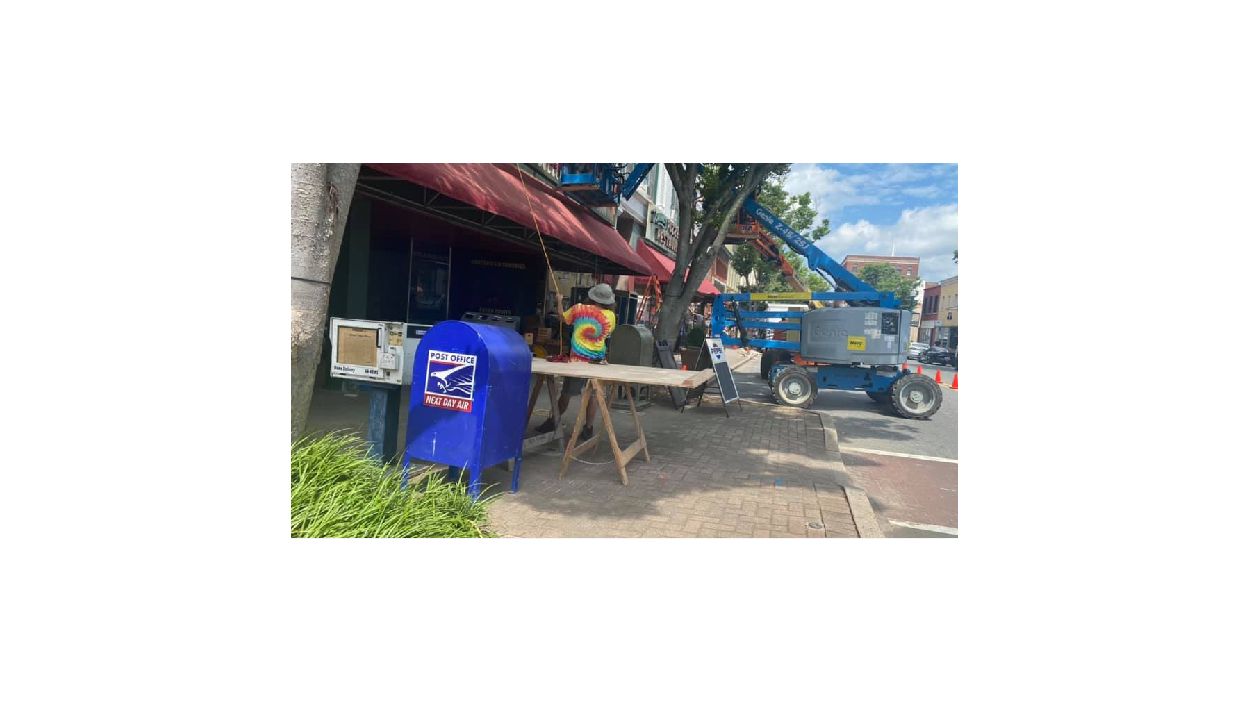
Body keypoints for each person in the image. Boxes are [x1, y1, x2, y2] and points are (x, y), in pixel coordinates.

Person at [534, 283, 617, 441]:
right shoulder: (611, 316)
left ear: (592, 297)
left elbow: (562, 318)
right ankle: (588, 429)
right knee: (593, 396)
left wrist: (559, 300)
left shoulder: (579, 309)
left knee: (567, 393)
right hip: (598, 362)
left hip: (578, 362)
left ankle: (553, 422)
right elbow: (607, 333)